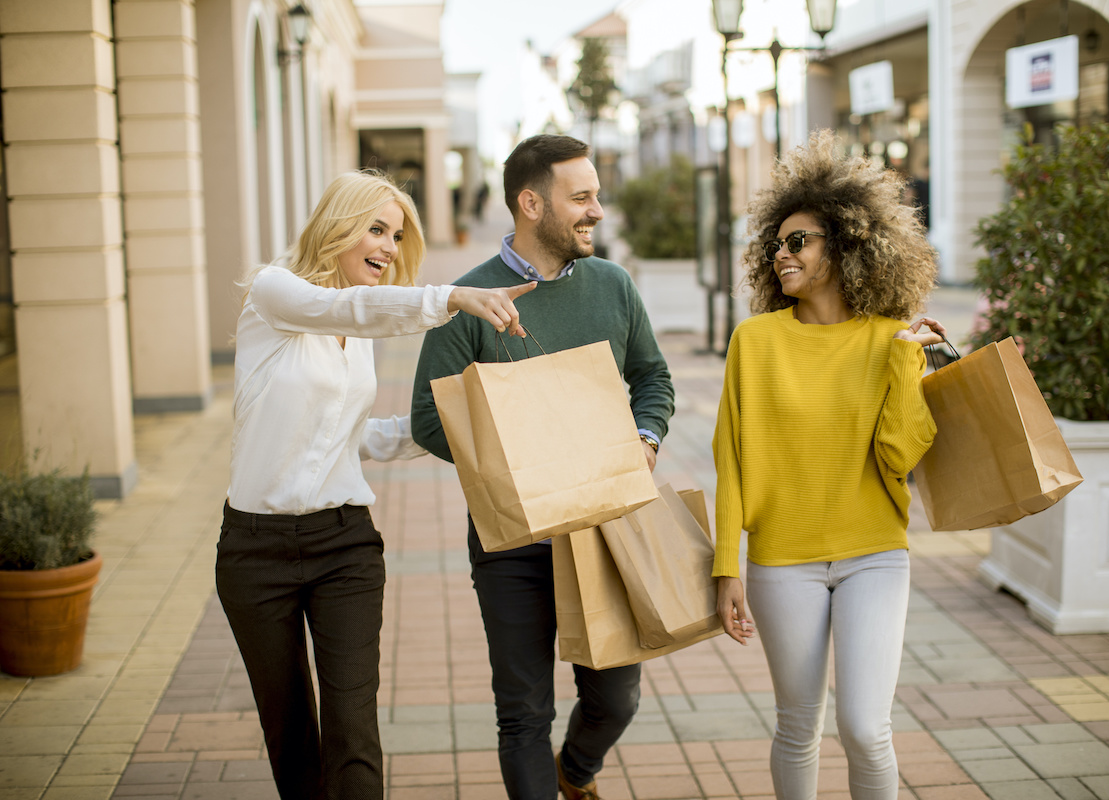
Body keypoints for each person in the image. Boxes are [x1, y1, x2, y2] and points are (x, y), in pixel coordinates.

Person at [215, 169, 535, 800]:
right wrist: (450, 298)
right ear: (338, 225)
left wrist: (461, 423)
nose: (389, 248)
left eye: (397, 235)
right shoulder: (275, 293)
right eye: (377, 229)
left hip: (345, 546)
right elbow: (342, 308)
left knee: (354, 729)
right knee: (291, 734)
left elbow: (353, 435)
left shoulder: (354, 338)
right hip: (255, 552)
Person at [410, 134, 674, 800]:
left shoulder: (613, 285)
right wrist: (517, 462)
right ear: (532, 203)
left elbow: (651, 376)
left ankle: (576, 772)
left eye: (597, 196)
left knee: (618, 698)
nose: (597, 211)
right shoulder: (467, 300)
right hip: (514, 541)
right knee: (524, 712)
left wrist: (645, 437)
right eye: (581, 197)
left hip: (602, 529)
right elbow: (426, 418)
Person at [712, 131, 943, 800]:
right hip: (783, 561)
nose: (782, 254)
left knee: (866, 727)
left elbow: (900, 455)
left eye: (799, 242)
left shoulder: (888, 340)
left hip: (876, 553)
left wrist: (906, 363)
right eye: (776, 245)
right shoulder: (753, 342)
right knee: (797, 725)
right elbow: (732, 460)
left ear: (845, 246)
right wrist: (727, 564)